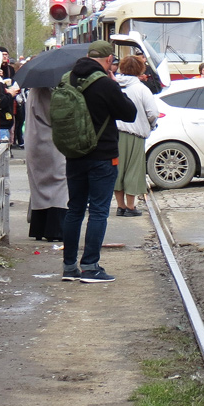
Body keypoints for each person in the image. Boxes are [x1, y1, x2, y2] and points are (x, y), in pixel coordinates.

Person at [60, 41, 138, 283]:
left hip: (73, 153)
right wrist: (115, 86)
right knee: (98, 211)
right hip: (102, 155)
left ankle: (69, 266)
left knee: (74, 209)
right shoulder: (105, 83)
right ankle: (91, 266)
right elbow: (129, 113)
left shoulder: (67, 79)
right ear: (107, 60)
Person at [114, 55, 159, 217]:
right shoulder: (141, 89)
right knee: (133, 169)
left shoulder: (114, 85)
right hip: (135, 134)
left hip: (115, 133)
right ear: (140, 69)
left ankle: (120, 206)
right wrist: (151, 125)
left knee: (117, 169)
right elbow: (153, 113)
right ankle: (130, 206)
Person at [25, 87, 68, 241]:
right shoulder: (45, 93)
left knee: (39, 184)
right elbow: (55, 116)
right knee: (58, 182)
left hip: (35, 140)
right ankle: (54, 229)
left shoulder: (34, 92)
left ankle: (40, 226)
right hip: (48, 142)